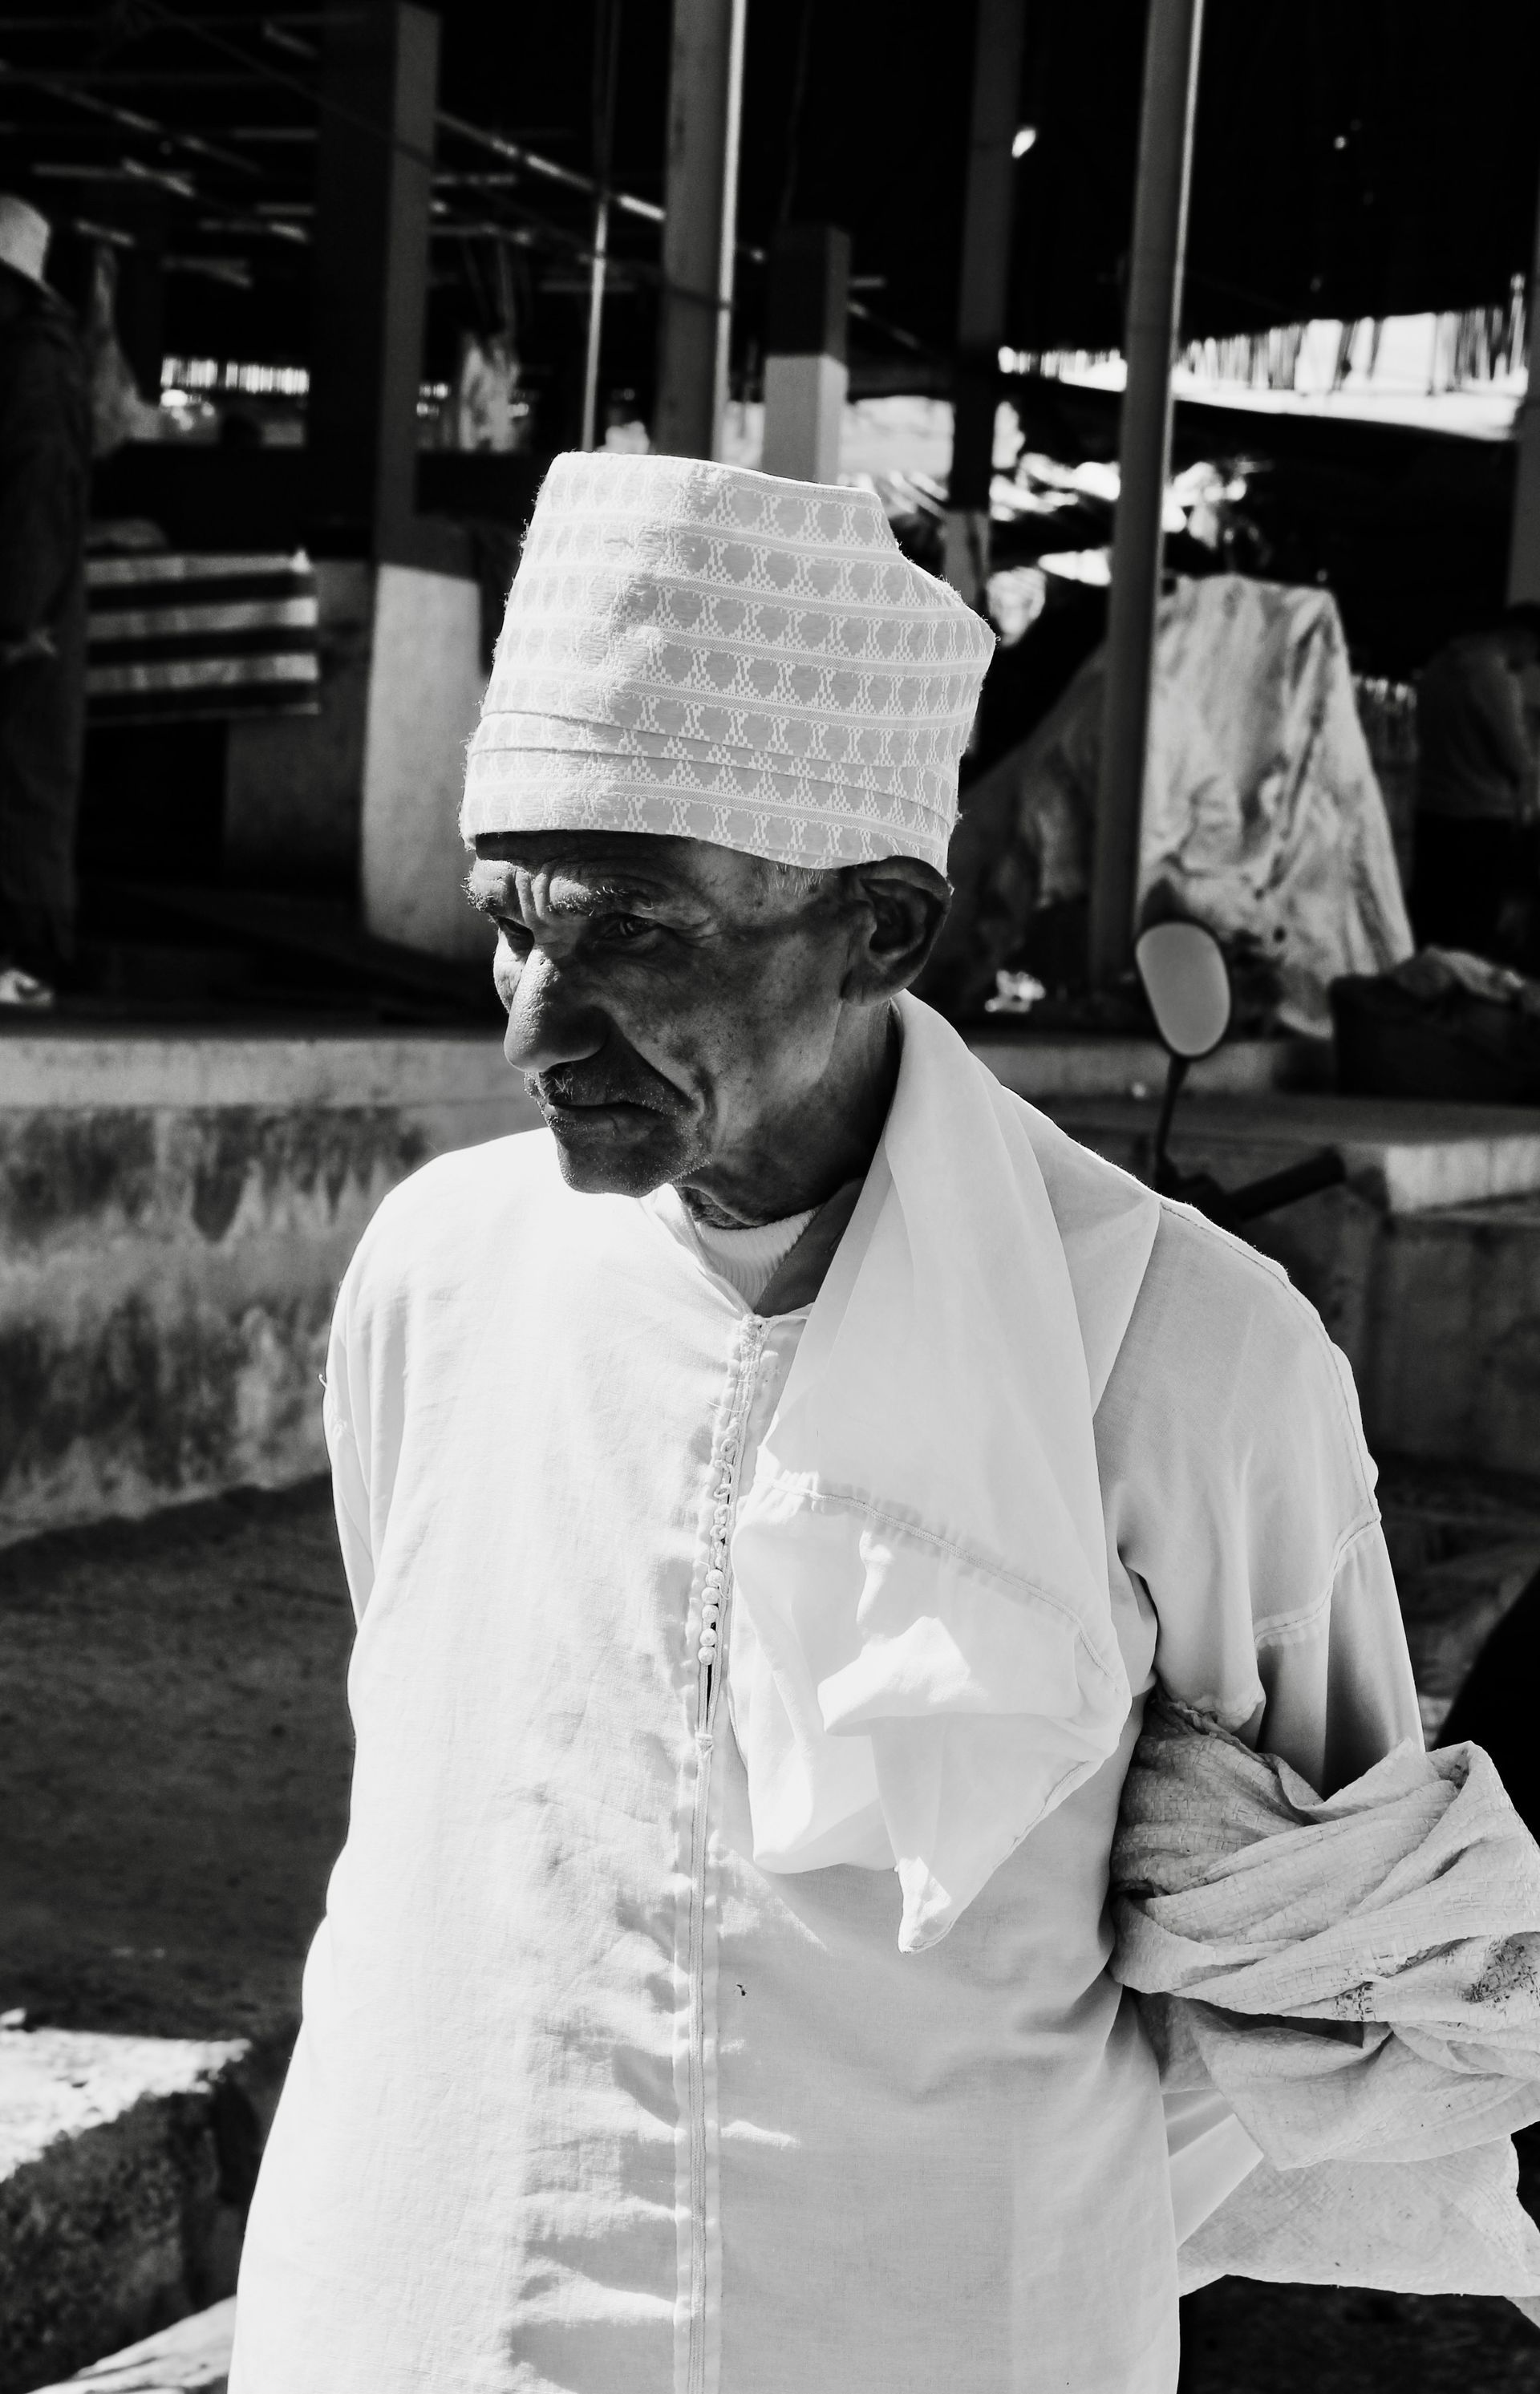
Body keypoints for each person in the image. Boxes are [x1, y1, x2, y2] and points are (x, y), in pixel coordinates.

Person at [230, 454, 1423, 2394]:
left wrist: (980, 2185)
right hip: (438, 2305)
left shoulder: (1180, 1356)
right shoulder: (439, 1273)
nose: (534, 1021)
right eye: (511, 924)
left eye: (632, 937)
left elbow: (1328, 1951)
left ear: (881, 923)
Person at [0, 196, 90, 1011]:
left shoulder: (32, 368)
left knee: (20, 781)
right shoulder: (31, 360)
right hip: (24, 614)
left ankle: (26, 959)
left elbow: (33, 499)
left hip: (25, 626)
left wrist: (18, 616)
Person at [1411, 606, 1540, 959]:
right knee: (1471, 934)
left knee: (1431, 925)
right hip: (1481, 822)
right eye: (1535, 654)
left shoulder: (1438, 665)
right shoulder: (1496, 679)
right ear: (1523, 638)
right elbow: (1515, 757)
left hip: (1432, 810)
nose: (1530, 666)